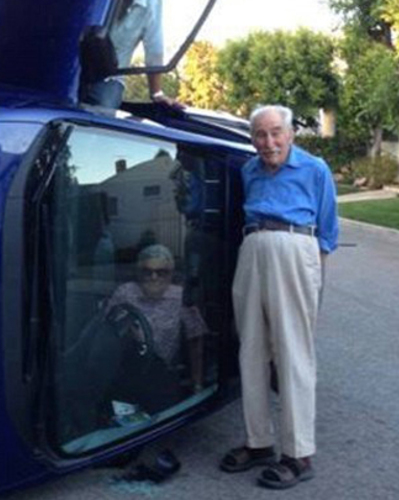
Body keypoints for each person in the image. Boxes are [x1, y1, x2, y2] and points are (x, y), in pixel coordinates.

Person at [219, 105, 338, 490]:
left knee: (293, 352)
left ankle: (298, 454)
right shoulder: (250, 170)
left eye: (275, 133)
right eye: (260, 135)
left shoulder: (314, 168)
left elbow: (327, 230)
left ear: (290, 134)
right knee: (250, 349)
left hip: (296, 248)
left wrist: (315, 279)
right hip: (252, 249)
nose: (268, 142)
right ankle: (259, 443)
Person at [107, 243, 206, 399]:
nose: (154, 278)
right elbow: (107, 331)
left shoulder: (180, 296)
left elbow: (196, 342)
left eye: (161, 272)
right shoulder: (125, 292)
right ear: (138, 273)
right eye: (147, 272)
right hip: (125, 370)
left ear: (171, 274)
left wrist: (197, 384)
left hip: (163, 373)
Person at [82, 0, 182, 109]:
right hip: (72, 59)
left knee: (104, 105)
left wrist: (156, 93)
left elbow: (154, 50)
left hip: (111, 76)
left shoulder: (151, 4)